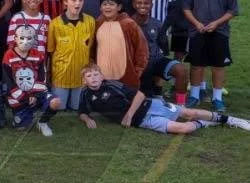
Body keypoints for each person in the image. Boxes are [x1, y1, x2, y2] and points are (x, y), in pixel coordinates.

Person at [79, 64, 250, 134]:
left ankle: (231, 120)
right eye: (89, 76)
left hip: (150, 107)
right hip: (143, 122)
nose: (93, 78)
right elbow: (82, 111)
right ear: (84, 80)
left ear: (102, 76)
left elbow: (140, 94)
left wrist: (129, 115)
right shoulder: (86, 94)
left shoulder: (113, 85)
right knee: (184, 129)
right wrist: (87, 119)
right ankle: (205, 123)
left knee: (189, 113)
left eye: (96, 74)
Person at [182, 0, 237, 111]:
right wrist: (196, 23)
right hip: (197, 33)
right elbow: (186, 8)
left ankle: (217, 98)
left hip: (220, 33)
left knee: (218, 66)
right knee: (197, 65)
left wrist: (217, 23)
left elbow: (232, 10)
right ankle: (194, 95)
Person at [3, 24, 63, 136]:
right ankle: (27, 113)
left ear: (34, 39)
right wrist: (25, 97)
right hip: (19, 97)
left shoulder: (38, 55)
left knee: (55, 102)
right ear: (15, 38)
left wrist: (34, 95)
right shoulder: (9, 55)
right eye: (21, 37)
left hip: (36, 94)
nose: (25, 41)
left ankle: (42, 122)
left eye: (29, 38)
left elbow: (42, 78)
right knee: (20, 128)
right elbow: (9, 82)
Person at [47, 0, 95, 122]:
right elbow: (51, 50)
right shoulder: (55, 24)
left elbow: (90, 46)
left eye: (80, 0)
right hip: (61, 74)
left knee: (76, 107)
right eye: (74, 0)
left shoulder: (90, 21)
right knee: (59, 107)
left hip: (81, 75)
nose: (77, 3)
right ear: (65, 2)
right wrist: (49, 74)